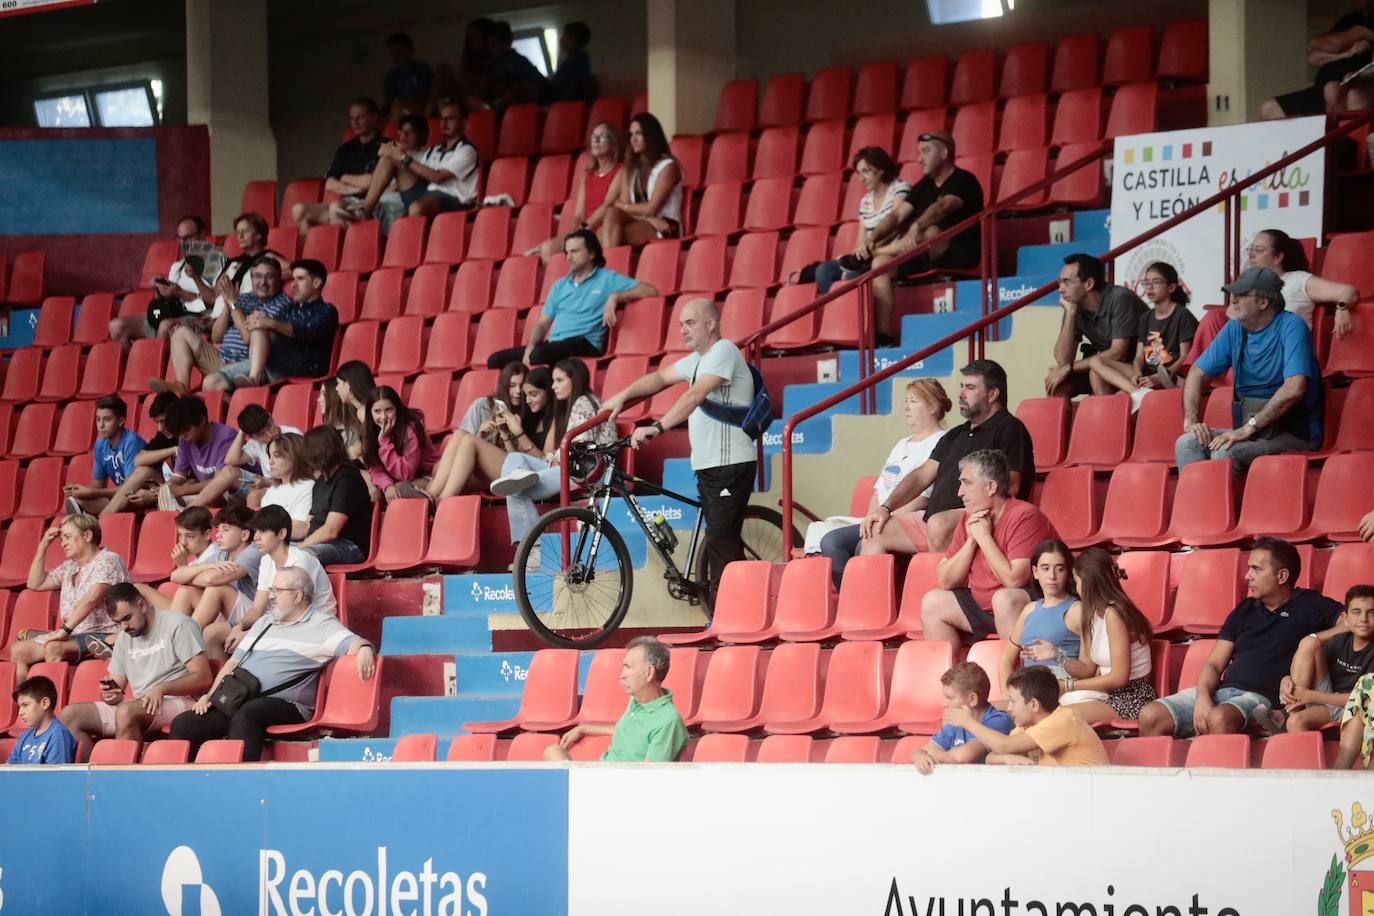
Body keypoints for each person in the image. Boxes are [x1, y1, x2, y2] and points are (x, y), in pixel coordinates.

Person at [603, 298, 756, 608]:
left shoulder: (724, 351)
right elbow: (659, 378)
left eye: (690, 323)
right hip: (709, 465)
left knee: (721, 542)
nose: (683, 330)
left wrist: (658, 427)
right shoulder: (698, 360)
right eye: (680, 324)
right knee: (722, 540)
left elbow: (695, 395)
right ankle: (744, 605)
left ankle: (732, 616)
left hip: (731, 463)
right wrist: (623, 395)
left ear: (710, 324)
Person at [1138, 537, 1343, 738]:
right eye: (1249, 568)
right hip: (1223, 692)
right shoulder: (1244, 610)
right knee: (1150, 716)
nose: (1247, 576)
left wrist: (1314, 639)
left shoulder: (1309, 604)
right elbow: (1214, 664)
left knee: (1219, 718)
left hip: (1264, 700)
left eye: (1256, 569)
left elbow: (1353, 624)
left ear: (1282, 576)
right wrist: (1203, 697)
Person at [171, 566, 375, 761]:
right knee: (184, 723)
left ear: (297, 596)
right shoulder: (264, 622)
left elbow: (354, 642)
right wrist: (211, 695)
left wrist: (365, 649)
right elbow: (232, 663)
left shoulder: (321, 625)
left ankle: (243, 776)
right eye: (271, 590)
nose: (271, 596)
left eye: (278, 591)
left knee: (248, 713)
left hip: (289, 706)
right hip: (239, 698)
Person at [860, 359, 1035, 555]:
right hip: (932, 520)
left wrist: (975, 513)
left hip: (981, 519)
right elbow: (922, 476)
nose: (961, 393)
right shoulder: (954, 434)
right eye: (962, 386)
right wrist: (885, 507)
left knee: (938, 524)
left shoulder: (1010, 428)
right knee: (874, 530)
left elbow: (1011, 486)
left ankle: (944, 576)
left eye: (970, 387)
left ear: (992, 394)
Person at [1174, 266, 1324, 472]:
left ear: (1263, 302)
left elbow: (1294, 388)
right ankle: (1196, 495)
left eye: (1242, 294)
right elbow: (1197, 373)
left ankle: (1221, 496)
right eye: (1233, 294)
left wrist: (1249, 428)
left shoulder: (1292, 326)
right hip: (1252, 432)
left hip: (1293, 435)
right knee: (1186, 443)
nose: (1233, 299)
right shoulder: (1234, 328)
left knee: (1224, 452)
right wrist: (1191, 421)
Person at [811, 378, 950, 588]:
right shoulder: (902, 444)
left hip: (903, 522)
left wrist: (885, 519)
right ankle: (850, 598)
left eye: (913, 401)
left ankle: (863, 599)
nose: (906, 407)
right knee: (831, 541)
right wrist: (871, 517)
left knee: (854, 544)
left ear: (932, 406)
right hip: (880, 518)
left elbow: (924, 498)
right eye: (906, 401)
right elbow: (880, 489)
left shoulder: (942, 441)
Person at [918, 449, 1057, 648]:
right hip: (984, 607)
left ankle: (1014, 668)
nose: (959, 492)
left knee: (1004, 599)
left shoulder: (1025, 516)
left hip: (1028, 605)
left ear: (991, 487)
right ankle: (952, 669)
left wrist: (983, 537)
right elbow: (945, 580)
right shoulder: (970, 517)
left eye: (967, 483)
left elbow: (1014, 580)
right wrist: (971, 541)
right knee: (933, 602)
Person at [58, 583, 212, 760]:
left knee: (126, 712)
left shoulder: (178, 624)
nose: (124, 627)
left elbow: (204, 677)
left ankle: (121, 773)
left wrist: (162, 688)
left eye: (127, 618)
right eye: (118, 622)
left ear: (142, 605)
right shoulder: (124, 638)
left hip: (182, 701)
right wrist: (109, 694)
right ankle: (89, 773)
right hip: (143, 704)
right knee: (69, 715)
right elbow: (116, 689)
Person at [489, 358, 616, 555]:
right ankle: (518, 474)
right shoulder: (581, 402)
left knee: (515, 490)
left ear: (575, 380)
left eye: (559, 380)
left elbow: (577, 451)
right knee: (513, 461)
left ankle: (533, 552)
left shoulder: (583, 403)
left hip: (585, 473)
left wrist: (548, 459)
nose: (553, 386)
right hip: (572, 467)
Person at [870, 130, 984, 346]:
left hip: (958, 254)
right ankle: (884, 337)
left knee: (930, 232)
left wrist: (916, 226)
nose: (919, 158)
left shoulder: (964, 180)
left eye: (925, 151)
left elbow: (943, 207)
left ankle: (878, 251)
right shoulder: (924, 185)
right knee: (879, 264)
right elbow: (896, 216)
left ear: (944, 153)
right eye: (919, 152)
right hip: (922, 254)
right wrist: (872, 238)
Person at [491, 230, 656, 368]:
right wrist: (530, 347)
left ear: (591, 253)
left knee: (540, 355)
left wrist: (616, 296)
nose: (568, 257)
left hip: (586, 343)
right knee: (495, 360)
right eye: (567, 252)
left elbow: (651, 290)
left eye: (574, 251)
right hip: (555, 344)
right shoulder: (560, 285)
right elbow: (542, 324)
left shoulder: (607, 278)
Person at [10, 513, 129, 680]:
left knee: (53, 648)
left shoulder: (108, 560)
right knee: (18, 651)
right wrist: (43, 545)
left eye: (67, 537)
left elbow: (92, 599)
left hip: (104, 633)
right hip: (75, 634)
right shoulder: (69, 567)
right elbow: (35, 583)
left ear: (87, 535)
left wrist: (64, 630)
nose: (62, 543)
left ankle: (54, 696)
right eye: (61, 539)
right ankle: (23, 696)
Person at [156, 255, 293, 394]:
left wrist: (234, 304)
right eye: (258, 276)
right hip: (221, 360)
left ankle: (227, 398)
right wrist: (228, 306)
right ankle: (182, 385)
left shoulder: (282, 305)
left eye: (269, 277)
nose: (263, 282)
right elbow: (216, 337)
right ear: (251, 279)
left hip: (248, 366)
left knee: (211, 383)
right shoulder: (244, 297)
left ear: (279, 279)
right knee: (180, 333)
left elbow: (249, 339)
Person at [1073, 261, 1198, 411]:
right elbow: (1139, 356)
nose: (1150, 287)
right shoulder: (1145, 318)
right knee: (1095, 362)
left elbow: (1185, 357)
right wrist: (1137, 374)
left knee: (1119, 401)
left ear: (1171, 287)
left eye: (1156, 282)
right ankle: (1138, 393)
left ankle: (1138, 394)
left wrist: (1160, 377)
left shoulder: (1182, 315)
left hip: (1170, 377)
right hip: (1147, 374)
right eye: (1146, 283)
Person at [544, 636, 687, 761]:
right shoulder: (636, 701)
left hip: (619, 782)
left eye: (628, 667)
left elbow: (649, 776)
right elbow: (628, 731)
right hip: (601, 773)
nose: (622, 675)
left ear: (649, 672)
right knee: (553, 751)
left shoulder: (669, 721)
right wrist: (584, 728)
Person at [1057, 548, 1157, 724]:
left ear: (1089, 584)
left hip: (1132, 696)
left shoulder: (1114, 614)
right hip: (1106, 692)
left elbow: (1119, 678)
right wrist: (1056, 656)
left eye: (1077, 582)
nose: (1076, 589)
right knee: (1045, 710)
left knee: (1061, 719)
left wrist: (1069, 686)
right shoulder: (1092, 613)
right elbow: (1087, 670)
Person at [427, 366, 554, 500]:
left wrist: (517, 432)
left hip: (522, 473)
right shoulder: (524, 411)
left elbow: (534, 462)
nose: (519, 392)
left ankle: (439, 501)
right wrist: (502, 433)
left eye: (531, 393)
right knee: (458, 438)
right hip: (503, 467)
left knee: (468, 442)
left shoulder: (528, 416)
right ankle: (430, 495)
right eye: (512, 386)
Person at [224, 505, 336, 655]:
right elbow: (257, 609)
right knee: (213, 633)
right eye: (256, 531)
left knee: (247, 642)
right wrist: (240, 626)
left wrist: (249, 634)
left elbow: (292, 614)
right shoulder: (266, 561)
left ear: (282, 533)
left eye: (263, 531)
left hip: (312, 625)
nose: (256, 537)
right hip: (281, 620)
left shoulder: (300, 561)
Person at [947, 665, 1108, 766]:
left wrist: (968, 722)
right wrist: (1005, 759)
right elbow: (992, 757)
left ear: (1033, 705)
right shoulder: (1025, 726)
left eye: (1013, 701)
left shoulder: (1065, 720)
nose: (1009, 708)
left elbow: (1004, 746)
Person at [167, 503, 265, 661]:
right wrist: (206, 566)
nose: (218, 535)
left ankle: (181, 645)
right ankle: (171, 642)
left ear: (244, 535)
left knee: (216, 589)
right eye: (218, 530)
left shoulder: (253, 551)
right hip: (232, 614)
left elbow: (211, 579)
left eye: (225, 530)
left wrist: (201, 575)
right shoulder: (222, 554)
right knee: (186, 591)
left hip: (255, 617)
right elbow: (176, 576)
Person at [354, 99, 479, 220]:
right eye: (442, 119)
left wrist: (403, 157)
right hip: (426, 194)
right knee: (390, 158)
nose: (444, 123)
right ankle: (365, 210)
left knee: (416, 208)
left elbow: (438, 177)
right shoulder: (434, 150)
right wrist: (394, 152)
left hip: (453, 199)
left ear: (464, 122)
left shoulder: (467, 150)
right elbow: (418, 174)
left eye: (450, 119)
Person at [1044, 253, 1147, 397]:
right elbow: (1063, 360)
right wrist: (1070, 313)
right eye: (1060, 282)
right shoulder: (1074, 306)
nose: (1060, 289)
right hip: (1105, 365)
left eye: (1066, 282)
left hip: (1138, 367)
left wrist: (1069, 368)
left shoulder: (1120, 299)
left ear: (1089, 284)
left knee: (1096, 373)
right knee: (1057, 384)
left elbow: (1118, 353)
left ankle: (1108, 412)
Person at [814, 147, 912, 296]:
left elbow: (895, 226)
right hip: (869, 256)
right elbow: (861, 239)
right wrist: (860, 248)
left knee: (853, 277)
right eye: (859, 173)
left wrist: (869, 247)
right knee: (823, 270)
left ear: (881, 169)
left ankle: (850, 308)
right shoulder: (865, 201)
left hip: (892, 253)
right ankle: (837, 308)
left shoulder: (900, 188)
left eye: (866, 171)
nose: (861, 178)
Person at [1275, 585, 1374, 733]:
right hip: (1327, 696)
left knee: (1295, 722)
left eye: (1371, 613)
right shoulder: (1339, 641)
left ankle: (1288, 715)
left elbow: (1365, 699)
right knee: (1309, 642)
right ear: (1345, 618)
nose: (1363, 619)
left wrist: (1312, 696)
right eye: (1356, 612)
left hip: (1354, 708)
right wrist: (1286, 680)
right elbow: (1311, 670)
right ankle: (1291, 709)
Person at [527, 122, 622, 264]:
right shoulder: (587, 176)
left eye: (602, 137)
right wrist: (574, 236)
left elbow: (608, 203)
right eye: (594, 137)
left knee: (586, 245)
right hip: (586, 230)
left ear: (613, 144)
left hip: (604, 228)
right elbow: (578, 215)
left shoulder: (620, 170)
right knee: (547, 248)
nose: (596, 141)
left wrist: (585, 229)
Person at [109, 215, 213, 343]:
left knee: (165, 326)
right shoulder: (177, 266)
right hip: (171, 313)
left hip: (199, 317)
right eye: (180, 238)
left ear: (202, 234)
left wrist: (181, 293)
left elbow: (215, 302)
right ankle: (138, 356)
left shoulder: (216, 264)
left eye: (188, 238)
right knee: (116, 326)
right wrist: (159, 289)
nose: (183, 243)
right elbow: (164, 302)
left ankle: (157, 356)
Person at [1262, 2, 1374, 119]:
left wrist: (1320, 44)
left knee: (1338, 92)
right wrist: (1347, 53)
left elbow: (1338, 43)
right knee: (1269, 109)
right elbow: (1314, 57)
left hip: (1353, 83)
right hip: (1322, 86)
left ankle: (1339, 130)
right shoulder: (1349, 19)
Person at [238, 258, 339, 388]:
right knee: (260, 327)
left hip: (306, 371)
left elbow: (305, 331)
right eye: (293, 279)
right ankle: (255, 378)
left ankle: (255, 379)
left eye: (300, 279)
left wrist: (270, 323)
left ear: (316, 283)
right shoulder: (289, 309)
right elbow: (269, 329)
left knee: (262, 327)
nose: (293, 285)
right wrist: (259, 320)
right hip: (278, 365)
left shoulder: (327, 310)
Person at [999, 539, 1082, 696]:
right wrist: (1007, 695)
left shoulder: (1077, 609)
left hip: (1062, 693)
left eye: (1060, 569)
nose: (1052, 576)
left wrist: (1057, 655)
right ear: (1035, 572)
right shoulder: (1029, 610)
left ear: (1068, 572)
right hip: (1027, 693)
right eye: (1045, 568)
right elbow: (1007, 658)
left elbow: (1089, 669)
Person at [1243, 228, 1359, 335]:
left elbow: (1347, 291)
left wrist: (1342, 309)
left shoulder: (1297, 280)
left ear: (1277, 257)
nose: (1251, 255)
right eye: (1251, 249)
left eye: (1258, 250)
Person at [293, 99, 384, 233]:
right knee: (299, 210)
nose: (355, 123)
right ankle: (312, 247)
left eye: (360, 117)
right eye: (352, 118)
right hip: (346, 202)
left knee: (336, 208)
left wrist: (344, 178)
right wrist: (358, 189)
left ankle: (347, 246)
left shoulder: (385, 146)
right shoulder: (345, 149)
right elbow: (330, 184)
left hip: (371, 206)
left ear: (374, 118)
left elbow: (372, 181)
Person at [910, 661, 1014, 774]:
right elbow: (927, 749)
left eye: (950, 698)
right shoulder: (955, 721)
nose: (943, 704)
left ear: (972, 699)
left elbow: (959, 758)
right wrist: (918, 755)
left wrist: (929, 756)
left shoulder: (998, 720)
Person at [598, 113, 683, 247]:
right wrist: (649, 219)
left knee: (607, 236)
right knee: (610, 215)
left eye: (638, 133)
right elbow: (620, 206)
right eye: (631, 134)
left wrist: (621, 205)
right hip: (647, 220)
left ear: (650, 136)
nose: (633, 139)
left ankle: (609, 259)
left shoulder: (668, 167)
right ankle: (611, 259)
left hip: (665, 225)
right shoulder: (633, 168)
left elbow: (650, 208)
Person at [299, 426, 374, 567]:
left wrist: (297, 550)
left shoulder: (348, 479)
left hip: (348, 546)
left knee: (301, 557)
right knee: (268, 554)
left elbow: (331, 531)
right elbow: (309, 524)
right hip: (320, 543)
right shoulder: (320, 482)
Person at [98, 391, 179, 516]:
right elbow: (139, 459)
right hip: (170, 488)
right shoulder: (165, 436)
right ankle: (101, 518)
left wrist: (157, 493)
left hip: (189, 493)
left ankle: (99, 520)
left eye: (163, 421)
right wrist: (173, 450)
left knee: (140, 479)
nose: (160, 428)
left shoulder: (191, 436)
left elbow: (191, 481)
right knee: (143, 471)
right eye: (157, 422)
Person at [63, 395, 147, 517]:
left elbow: (130, 489)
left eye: (107, 420)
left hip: (140, 497)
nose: (101, 425)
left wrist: (91, 493)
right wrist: (80, 491)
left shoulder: (131, 442)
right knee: (78, 500)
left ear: (120, 421)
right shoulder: (100, 445)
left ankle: (93, 520)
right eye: (98, 419)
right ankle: (89, 518)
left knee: (85, 503)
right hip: (119, 498)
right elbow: (97, 486)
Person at [155, 395, 239, 512]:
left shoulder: (226, 436)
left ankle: (184, 516)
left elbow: (220, 482)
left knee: (212, 497)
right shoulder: (184, 440)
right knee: (165, 496)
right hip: (207, 495)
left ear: (202, 420)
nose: (183, 436)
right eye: (180, 432)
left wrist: (181, 490)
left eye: (186, 429)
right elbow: (178, 477)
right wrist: (168, 489)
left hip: (234, 494)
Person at [363, 385, 440, 503]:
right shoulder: (370, 431)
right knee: (376, 491)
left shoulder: (410, 429)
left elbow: (405, 473)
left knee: (400, 489)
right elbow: (374, 468)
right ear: (370, 413)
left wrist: (384, 442)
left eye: (389, 410)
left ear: (397, 409)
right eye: (377, 411)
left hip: (431, 476)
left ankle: (431, 504)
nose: (383, 417)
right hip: (400, 481)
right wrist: (387, 485)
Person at [473, 20, 549, 111]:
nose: (490, 49)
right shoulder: (493, 65)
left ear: (506, 43)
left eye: (494, 44)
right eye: (489, 45)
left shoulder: (518, 62)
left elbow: (535, 87)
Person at [250, 432, 314, 538]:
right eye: (270, 456)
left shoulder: (308, 487)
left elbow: (299, 528)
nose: (270, 462)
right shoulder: (271, 490)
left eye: (276, 456)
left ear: (295, 457)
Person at [6, 677, 76, 765]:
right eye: (20, 707)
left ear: (45, 703)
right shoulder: (24, 737)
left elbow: (56, 772)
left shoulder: (59, 735)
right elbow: (9, 769)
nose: (20, 712)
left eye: (25, 705)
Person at [457, 360, 526, 441]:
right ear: (504, 386)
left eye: (522, 386)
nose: (518, 391)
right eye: (512, 385)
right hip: (476, 447)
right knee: (459, 434)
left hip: (504, 449)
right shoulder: (481, 405)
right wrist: (479, 436)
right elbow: (462, 442)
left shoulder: (528, 412)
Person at [381, 32, 433, 119]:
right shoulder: (393, 75)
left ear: (409, 50)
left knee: (399, 103)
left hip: (420, 108)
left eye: (398, 51)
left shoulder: (422, 69)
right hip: (399, 111)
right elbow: (388, 101)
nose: (395, 56)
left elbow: (425, 96)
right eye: (392, 52)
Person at [332, 360, 377, 459]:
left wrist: (352, 452)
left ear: (348, 384)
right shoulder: (365, 408)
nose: (336, 388)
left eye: (339, 383)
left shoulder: (364, 411)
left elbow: (373, 442)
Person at [548, 21, 593, 102]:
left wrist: (561, 101)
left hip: (567, 103)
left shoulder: (581, 60)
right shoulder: (568, 60)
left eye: (565, 36)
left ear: (573, 39)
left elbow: (578, 85)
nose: (561, 40)